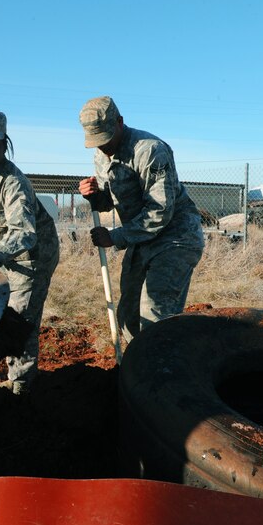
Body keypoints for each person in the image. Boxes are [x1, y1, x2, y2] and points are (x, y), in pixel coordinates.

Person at [77, 96, 203, 344]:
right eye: (96, 141)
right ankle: (136, 369)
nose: (102, 147)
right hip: (141, 239)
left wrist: (114, 237)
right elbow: (108, 201)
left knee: (154, 315)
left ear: (120, 123)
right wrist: (93, 195)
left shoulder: (151, 150)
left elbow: (159, 212)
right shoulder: (101, 157)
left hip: (174, 238)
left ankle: (161, 374)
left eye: (105, 138)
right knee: (129, 316)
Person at [0, 111, 59, 395]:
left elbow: (25, 234)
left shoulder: (13, 183)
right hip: (5, 255)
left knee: (21, 318)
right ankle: (14, 374)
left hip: (33, 257)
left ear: (4, 145)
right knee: (4, 311)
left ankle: (22, 383)